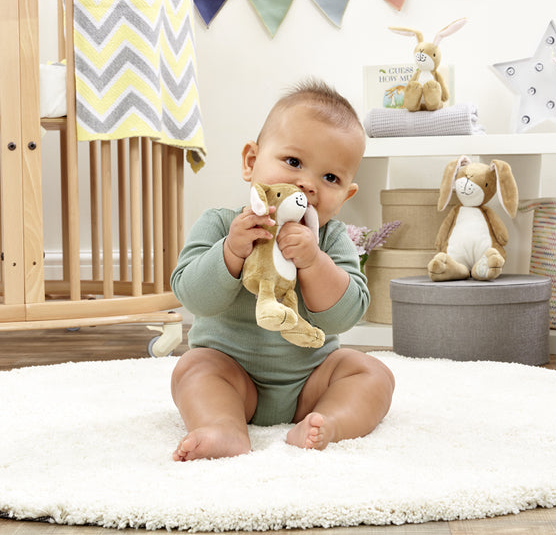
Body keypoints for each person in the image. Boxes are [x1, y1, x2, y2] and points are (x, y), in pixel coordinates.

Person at [169, 79, 395, 461]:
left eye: (330, 178)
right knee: (192, 368)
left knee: (373, 373)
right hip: (232, 375)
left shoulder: (332, 238)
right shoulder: (221, 225)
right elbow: (192, 296)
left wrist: (314, 262)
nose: (306, 184)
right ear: (251, 162)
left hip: (311, 380)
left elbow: (345, 316)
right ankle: (224, 426)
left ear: (346, 196)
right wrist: (231, 252)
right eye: (293, 162)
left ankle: (330, 422)